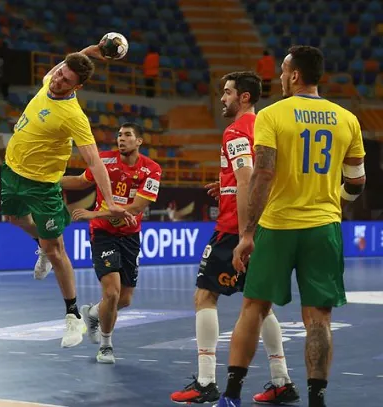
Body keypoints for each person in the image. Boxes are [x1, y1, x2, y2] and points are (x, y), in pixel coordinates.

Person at [215, 46, 366, 407]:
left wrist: (247, 233)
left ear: (295, 75)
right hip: (323, 227)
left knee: (254, 307)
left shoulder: (273, 115)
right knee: (318, 318)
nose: (280, 77)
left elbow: (263, 175)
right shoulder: (347, 119)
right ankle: (317, 399)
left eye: (283, 70)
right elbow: (357, 181)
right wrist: (335, 202)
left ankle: (232, 395)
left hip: (278, 225)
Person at [170, 71, 299, 405]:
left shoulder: (237, 130)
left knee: (205, 296)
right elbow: (257, 177)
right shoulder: (270, 128)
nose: (222, 98)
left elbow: (245, 181)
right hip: (273, 226)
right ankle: (281, 381)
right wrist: (225, 183)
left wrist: (245, 234)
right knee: (258, 304)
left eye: (227, 93)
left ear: (244, 97)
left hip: (234, 230)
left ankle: (206, 381)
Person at [1, 43, 134, 348]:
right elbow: (71, 60)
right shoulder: (51, 79)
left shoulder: (74, 116)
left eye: (67, 80)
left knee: (57, 251)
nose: (59, 80)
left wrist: (111, 201)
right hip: (12, 172)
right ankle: (40, 246)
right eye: (60, 73)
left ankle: (73, 317)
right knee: (14, 218)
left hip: (44, 183)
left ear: (79, 87)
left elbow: (95, 162)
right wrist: (96, 48)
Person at [61, 122, 161, 363]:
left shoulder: (152, 169)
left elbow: (137, 207)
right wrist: (47, 181)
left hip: (130, 236)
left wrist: (94, 213)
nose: (121, 139)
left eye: (127, 135)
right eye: (119, 135)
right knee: (112, 293)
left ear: (139, 141)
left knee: (124, 299)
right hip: (103, 234)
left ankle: (93, 313)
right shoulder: (104, 161)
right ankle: (106, 346)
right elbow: (81, 181)